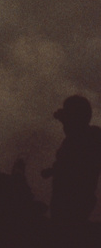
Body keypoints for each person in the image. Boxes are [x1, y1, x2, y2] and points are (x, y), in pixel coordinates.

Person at [41, 95, 101, 228]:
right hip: (74, 201)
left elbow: (75, 165)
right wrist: (53, 170)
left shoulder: (86, 138)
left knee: (64, 230)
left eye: (68, 113)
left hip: (72, 202)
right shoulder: (87, 137)